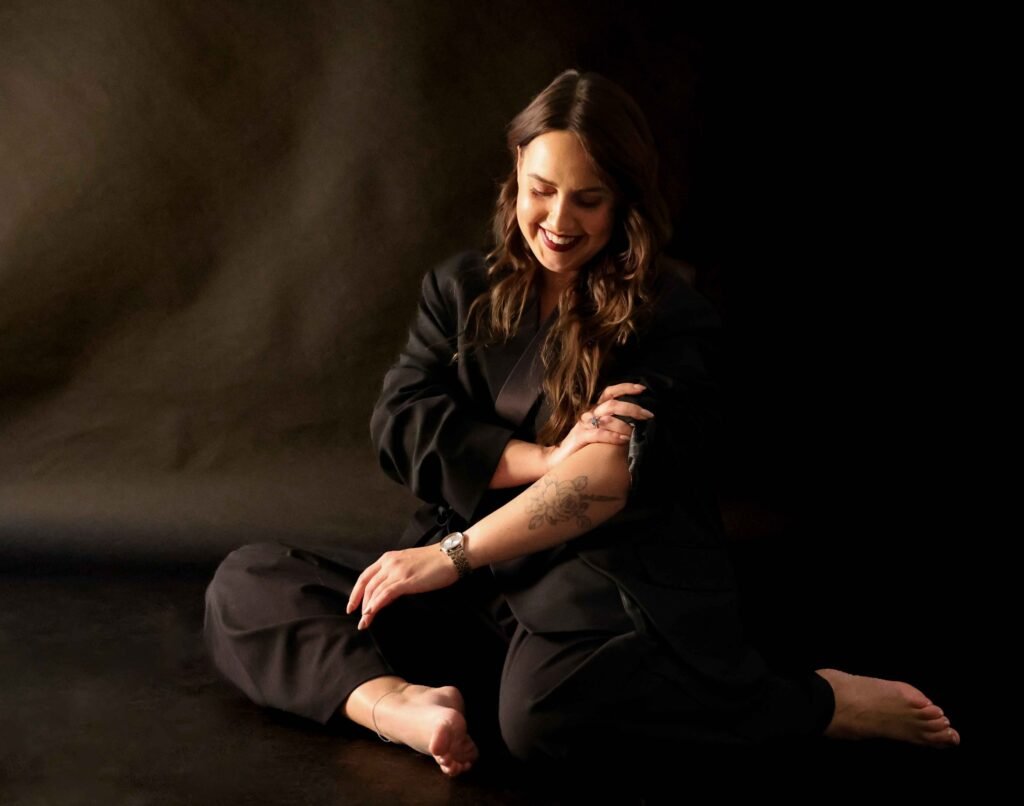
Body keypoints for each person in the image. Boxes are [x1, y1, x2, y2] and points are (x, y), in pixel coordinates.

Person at [203, 68, 960, 779]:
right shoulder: (460, 288)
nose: (559, 221)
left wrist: (452, 552)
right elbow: (401, 423)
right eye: (542, 191)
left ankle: (814, 704)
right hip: (474, 582)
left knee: (541, 721)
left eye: (589, 199)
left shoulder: (671, 315)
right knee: (248, 584)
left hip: (596, 583)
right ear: (515, 180)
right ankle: (395, 704)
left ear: (626, 200)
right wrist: (545, 456)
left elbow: (601, 481)